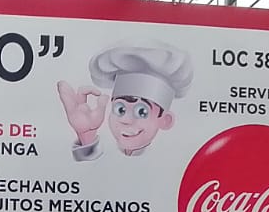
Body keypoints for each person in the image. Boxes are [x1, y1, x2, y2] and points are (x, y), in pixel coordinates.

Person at [57, 41, 193, 161]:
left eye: (142, 111)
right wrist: (86, 136)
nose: (126, 120)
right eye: (120, 109)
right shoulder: (109, 151)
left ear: (166, 120)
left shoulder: (170, 158)